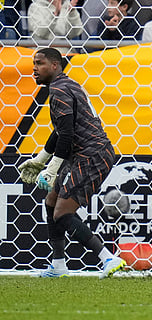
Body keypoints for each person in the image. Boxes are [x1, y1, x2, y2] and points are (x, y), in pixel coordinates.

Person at [18, 47, 126, 279]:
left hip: (92, 155)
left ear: (55, 65)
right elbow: (60, 132)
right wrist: (39, 161)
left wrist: (51, 169)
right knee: (51, 201)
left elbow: (66, 135)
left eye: (40, 63)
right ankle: (58, 265)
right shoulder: (67, 85)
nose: (34, 68)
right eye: (34, 63)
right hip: (82, 154)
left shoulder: (59, 90)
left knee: (61, 213)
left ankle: (108, 257)